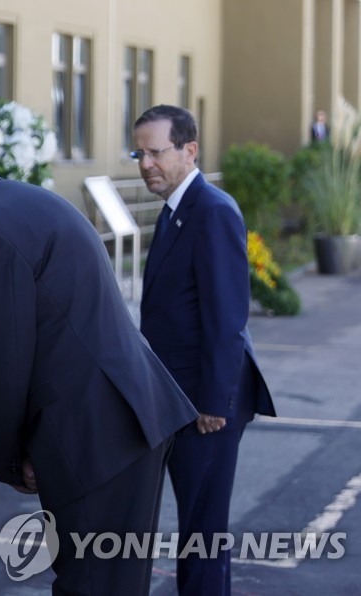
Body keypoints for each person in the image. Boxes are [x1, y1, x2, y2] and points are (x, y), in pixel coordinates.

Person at [0, 143, 198, 594]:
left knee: (89, 584)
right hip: (127, 418)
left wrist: (7, 459)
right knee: (117, 583)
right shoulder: (21, 200)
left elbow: (0, 365)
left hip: (93, 436)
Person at [133, 105, 276, 595]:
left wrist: (214, 402)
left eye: (156, 152)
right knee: (198, 531)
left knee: (203, 533)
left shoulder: (212, 210)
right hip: (179, 397)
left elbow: (227, 316)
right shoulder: (177, 210)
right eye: (140, 153)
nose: (146, 163)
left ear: (189, 150)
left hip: (205, 404)